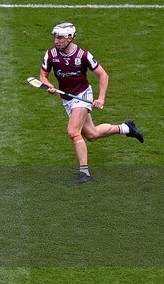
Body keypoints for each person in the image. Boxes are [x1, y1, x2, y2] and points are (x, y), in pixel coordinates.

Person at [39, 22, 143, 184]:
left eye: (60, 37)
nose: (56, 40)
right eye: (55, 37)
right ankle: (125, 128)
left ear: (70, 38)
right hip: (67, 98)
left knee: (73, 131)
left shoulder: (83, 55)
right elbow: (43, 75)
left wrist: (101, 98)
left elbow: (103, 75)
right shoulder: (50, 54)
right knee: (92, 134)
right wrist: (49, 85)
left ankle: (84, 172)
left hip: (82, 95)